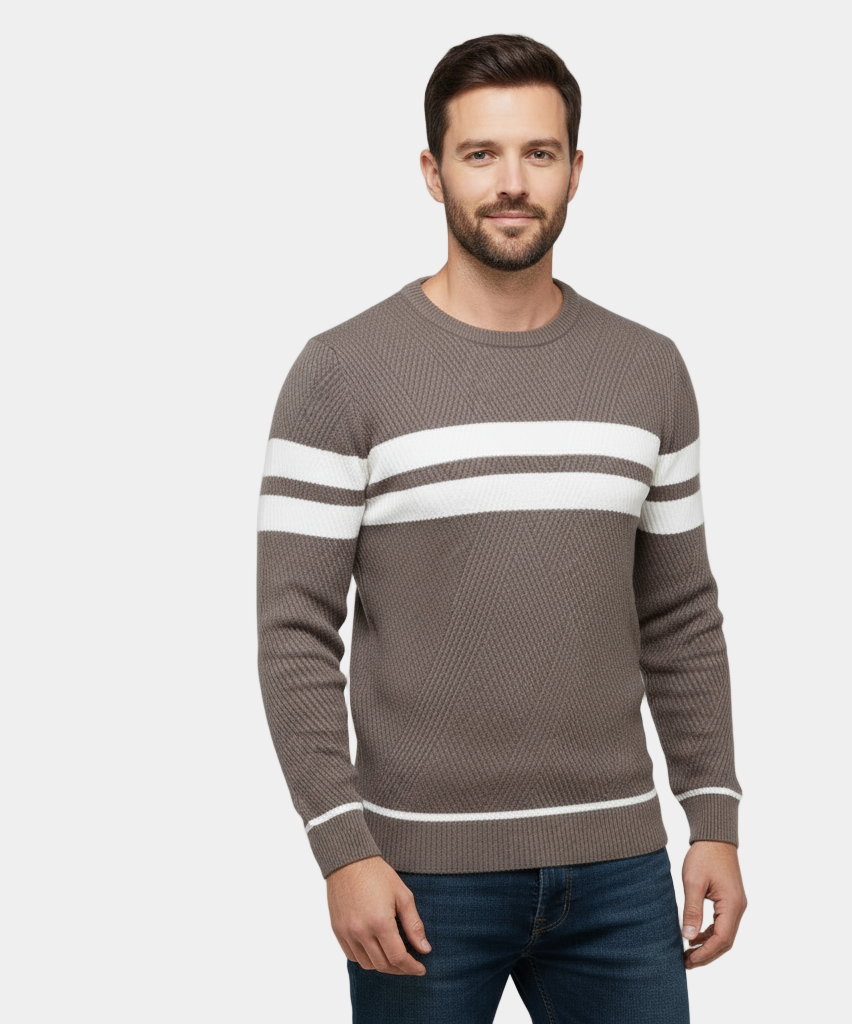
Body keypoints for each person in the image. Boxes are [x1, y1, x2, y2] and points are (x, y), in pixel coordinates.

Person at [256, 32, 746, 1023]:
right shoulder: (342, 372)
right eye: (481, 154)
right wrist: (343, 849)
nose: (512, 182)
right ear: (432, 172)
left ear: (576, 169)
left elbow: (681, 616)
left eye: (539, 153)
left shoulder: (648, 370)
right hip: (417, 878)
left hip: (620, 872)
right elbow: (294, 633)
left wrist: (714, 816)